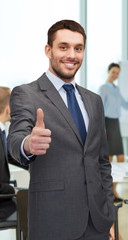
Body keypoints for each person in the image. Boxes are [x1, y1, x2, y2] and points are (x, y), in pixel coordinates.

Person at [7, 20, 116, 240]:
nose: (72, 55)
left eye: (78, 48)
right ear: (48, 50)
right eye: (63, 47)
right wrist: (29, 144)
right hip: (53, 221)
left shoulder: (94, 101)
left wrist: (108, 215)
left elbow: (101, 161)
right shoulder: (26, 94)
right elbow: (15, 140)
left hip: (97, 222)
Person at [99, 63, 128, 202]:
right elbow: (99, 109)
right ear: (108, 71)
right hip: (106, 124)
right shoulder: (103, 88)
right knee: (109, 160)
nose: (115, 75)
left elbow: (126, 105)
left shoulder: (116, 89)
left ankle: (114, 191)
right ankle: (107, 193)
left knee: (121, 158)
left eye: (117, 73)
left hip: (116, 124)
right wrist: (101, 129)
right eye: (113, 72)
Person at [0, 87, 28, 221]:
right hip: (3, 204)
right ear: (8, 109)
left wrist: (32, 165)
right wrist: (14, 191)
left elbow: (9, 154)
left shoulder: (2, 133)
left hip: (4, 196)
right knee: (34, 209)